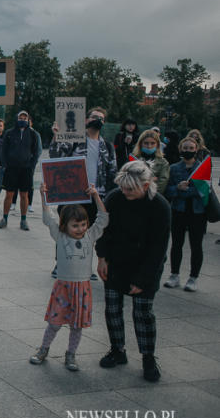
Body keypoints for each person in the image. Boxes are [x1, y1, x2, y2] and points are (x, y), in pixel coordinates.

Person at [96, 160, 171, 382]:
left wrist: (144, 279)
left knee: (143, 312)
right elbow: (103, 229)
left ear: (146, 186)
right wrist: (102, 258)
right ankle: (117, 349)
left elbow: (158, 248)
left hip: (146, 263)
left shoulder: (160, 206)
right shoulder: (115, 197)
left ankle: (148, 357)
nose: (125, 192)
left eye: (131, 189)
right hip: (116, 261)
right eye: (123, 188)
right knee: (112, 307)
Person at [31, 185, 108, 371]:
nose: (80, 229)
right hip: (63, 287)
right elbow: (48, 219)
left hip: (82, 288)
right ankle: (43, 349)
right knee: (54, 323)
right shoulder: (60, 236)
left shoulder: (90, 236)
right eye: (75, 225)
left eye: (83, 224)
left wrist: (96, 196)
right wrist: (43, 196)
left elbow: (103, 219)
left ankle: (71, 354)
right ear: (65, 225)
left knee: (77, 325)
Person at [50, 106, 117, 226]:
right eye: (94, 117)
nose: (98, 120)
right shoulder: (74, 140)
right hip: (73, 196)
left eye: (101, 119)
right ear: (86, 120)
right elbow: (56, 157)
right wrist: (56, 136)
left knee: (88, 236)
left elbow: (112, 173)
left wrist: (108, 198)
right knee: (67, 233)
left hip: (96, 197)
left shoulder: (107, 146)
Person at [163, 137, 207, 292]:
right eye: (185, 148)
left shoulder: (202, 168)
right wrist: (177, 189)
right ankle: (174, 275)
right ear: (181, 149)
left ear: (196, 149)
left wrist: (184, 191)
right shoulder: (174, 168)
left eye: (191, 148)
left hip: (197, 212)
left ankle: (193, 278)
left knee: (196, 245)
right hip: (178, 211)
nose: (188, 150)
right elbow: (168, 190)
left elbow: (204, 191)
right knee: (176, 244)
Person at [0, 110, 38, 231]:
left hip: (26, 170)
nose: (23, 120)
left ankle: (23, 220)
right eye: (21, 117)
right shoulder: (9, 133)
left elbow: (35, 152)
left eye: (25, 118)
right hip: (11, 169)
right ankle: (4, 218)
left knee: (24, 195)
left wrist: (31, 166)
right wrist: (5, 165)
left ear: (28, 120)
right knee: (9, 194)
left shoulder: (32, 134)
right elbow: (3, 151)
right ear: (17, 118)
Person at [133, 129, 170, 194]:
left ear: (157, 145)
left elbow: (162, 183)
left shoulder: (163, 163)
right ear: (140, 144)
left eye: (152, 143)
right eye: (146, 143)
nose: (149, 146)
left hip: (153, 197)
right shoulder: (133, 160)